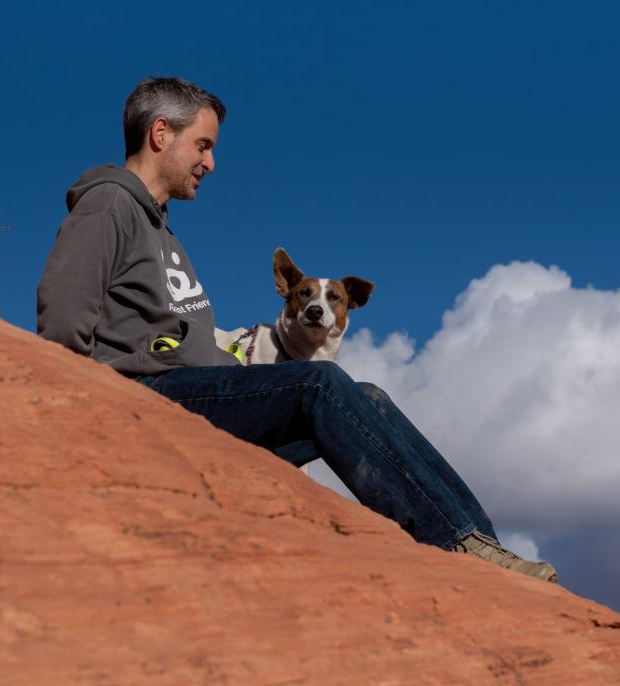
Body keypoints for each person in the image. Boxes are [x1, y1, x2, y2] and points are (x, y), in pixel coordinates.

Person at [37, 77, 556, 582]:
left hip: (199, 397)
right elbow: (63, 321)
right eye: (202, 145)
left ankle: (480, 543)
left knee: (365, 397)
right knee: (319, 383)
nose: (210, 163)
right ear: (159, 134)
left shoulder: (159, 227)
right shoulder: (108, 205)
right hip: (151, 400)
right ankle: (457, 544)